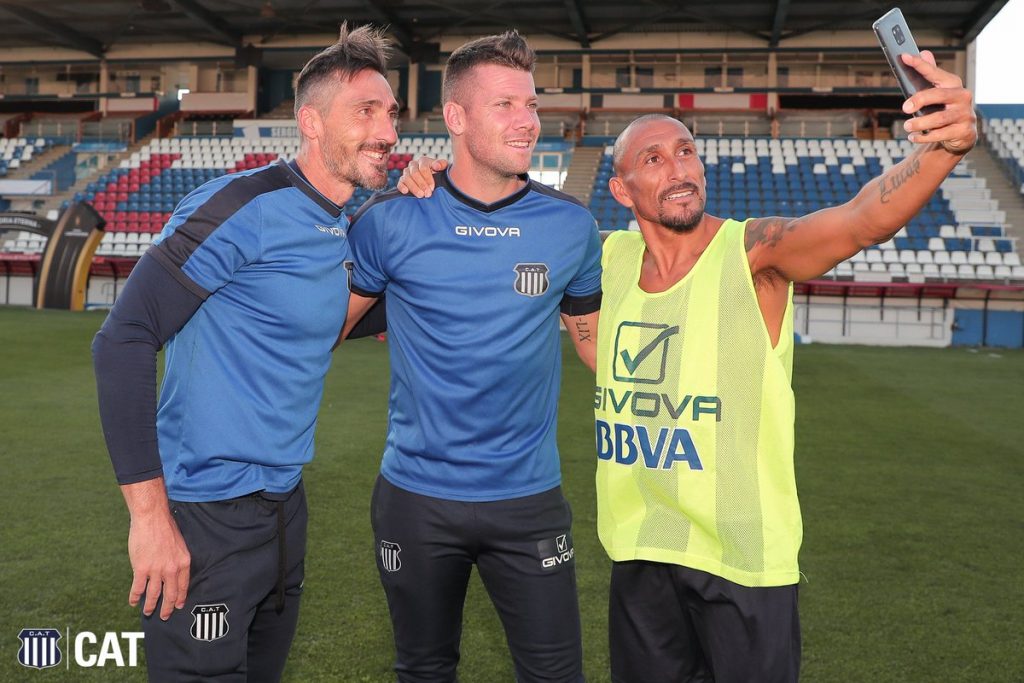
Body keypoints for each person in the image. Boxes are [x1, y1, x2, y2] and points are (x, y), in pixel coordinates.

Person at [594, 51, 976, 682]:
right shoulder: (610, 258)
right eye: (654, 160)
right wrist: (429, 184)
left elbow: (860, 221)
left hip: (744, 563)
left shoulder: (753, 251)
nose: (679, 168)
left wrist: (944, 147)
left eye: (686, 152)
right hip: (640, 551)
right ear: (620, 189)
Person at [91, 24, 398, 682]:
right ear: (311, 122)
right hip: (205, 520)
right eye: (366, 112)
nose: (388, 131)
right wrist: (149, 517)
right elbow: (122, 338)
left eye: (392, 112)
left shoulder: (343, 223)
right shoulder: (244, 207)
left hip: (285, 512)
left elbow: (339, 322)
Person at [342, 30, 602, 683]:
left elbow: (593, 342)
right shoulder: (390, 221)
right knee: (424, 669)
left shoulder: (571, 228)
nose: (528, 121)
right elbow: (323, 326)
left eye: (531, 104)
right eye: (506, 104)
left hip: (529, 498)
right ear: (456, 117)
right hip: (415, 498)